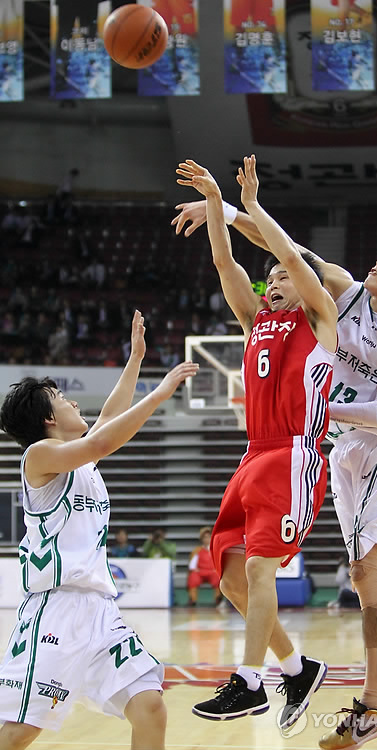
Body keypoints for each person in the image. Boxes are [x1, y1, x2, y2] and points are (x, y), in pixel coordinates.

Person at [172, 199, 377, 750]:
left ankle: (373, 709)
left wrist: (314, 405)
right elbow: (283, 249)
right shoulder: (345, 291)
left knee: (368, 576)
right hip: (346, 448)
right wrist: (226, 212)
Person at [175, 155, 337, 729]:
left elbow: (291, 256)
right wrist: (218, 204)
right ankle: (294, 669)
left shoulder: (320, 321)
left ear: (307, 286)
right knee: (234, 576)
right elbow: (224, 262)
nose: (274, 283)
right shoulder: (255, 322)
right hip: (253, 454)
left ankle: (250, 682)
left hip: (296, 451)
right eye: (269, 281)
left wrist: (253, 206)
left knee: (264, 570)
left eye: (284, 278)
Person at [0, 309, 198, 750]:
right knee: (18, 734)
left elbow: (110, 417)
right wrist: (161, 391)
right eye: (63, 400)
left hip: (100, 613)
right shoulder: (39, 457)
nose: (73, 403)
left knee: (149, 703)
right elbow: (104, 439)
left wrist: (135, 360)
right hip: (56, 611)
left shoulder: (78, 457)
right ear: (48, 419)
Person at [187, 527, 222, 606]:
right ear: (202, 539)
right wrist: (194, 569)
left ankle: (218, 599)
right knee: (193, 577)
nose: (207, 539)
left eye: (208, 537)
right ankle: (193, 600)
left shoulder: (215, 549)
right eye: (205, 537)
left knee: (217, 577)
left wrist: (217, 569)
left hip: (212, 571)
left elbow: (219, 562)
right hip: (200, 571)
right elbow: (192, 564)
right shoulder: (197, 550)